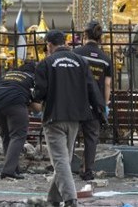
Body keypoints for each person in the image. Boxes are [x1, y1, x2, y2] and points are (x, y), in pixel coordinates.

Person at [33, 30, 105, 207]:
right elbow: (92, 88)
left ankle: (70, 199)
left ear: (49, 45)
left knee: (60, 160)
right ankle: (53, 199)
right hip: (75, 118)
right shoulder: (81, 62)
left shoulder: (46, 63)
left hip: (54, 117)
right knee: (64, 158)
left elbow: (39, 93)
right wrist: (101, 110)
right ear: (64, 42)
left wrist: (32, 94)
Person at [73, 21, 113, 181]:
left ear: (84, 35)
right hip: (95, 104)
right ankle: (87, 171)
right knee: (91, 139)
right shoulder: (105, 59)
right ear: (100, 37)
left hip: (76, 102)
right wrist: (105, 105)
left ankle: (65, 168)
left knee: (71, 135)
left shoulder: (76, 53)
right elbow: (108, 84)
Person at [0, 61, 40, 180]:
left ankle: (14, 168)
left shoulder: (9, 74)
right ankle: (8, 170)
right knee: (18, 135)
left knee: (7, 136)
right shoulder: (32, 78)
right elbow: (37, 107)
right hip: (15, 102)